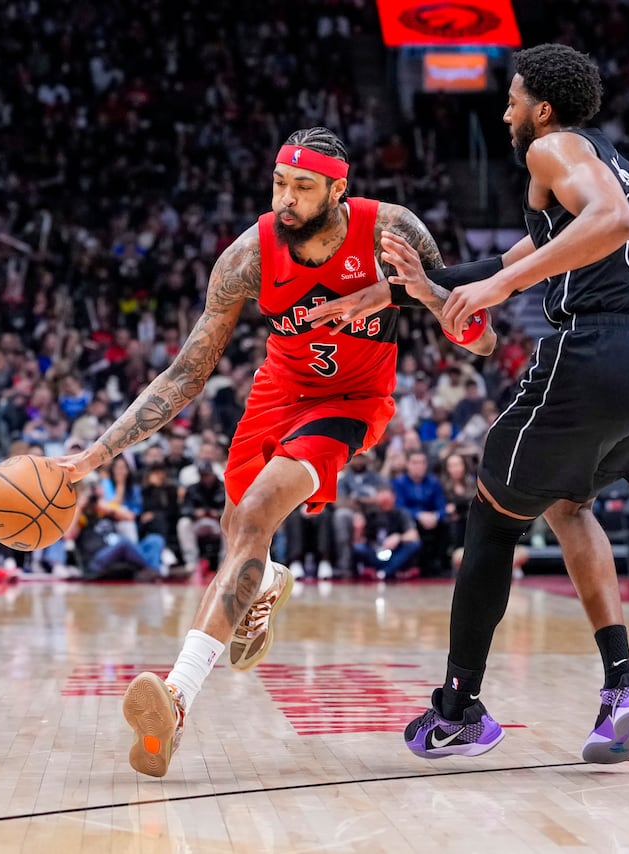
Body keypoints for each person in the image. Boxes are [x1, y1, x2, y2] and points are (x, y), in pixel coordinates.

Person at [58, 126, 498, 777]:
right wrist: (94, 455)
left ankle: (176, 698)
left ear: (338, 190)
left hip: (350, 400)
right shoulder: (249, 256)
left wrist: (421, 292)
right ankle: (264, 581)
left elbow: (481, 341)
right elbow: (185, 374)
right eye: (278, 184)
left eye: (302, 187)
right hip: (277, 391)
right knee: (238, 531)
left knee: (259, 510)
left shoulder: (391, 233)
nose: (285, 200)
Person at [370, 45, 629, 763]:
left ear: (542, 107)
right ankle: (622, 687)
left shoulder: (552, 148)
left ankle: (457, 710)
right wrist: (429, 285)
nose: (506, 109)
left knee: (490, 510)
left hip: (602, 353)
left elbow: (609, 225)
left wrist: (495, 294)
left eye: (513, 97)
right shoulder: (604, 158)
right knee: (566, 504)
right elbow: (516, 260)